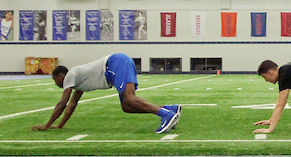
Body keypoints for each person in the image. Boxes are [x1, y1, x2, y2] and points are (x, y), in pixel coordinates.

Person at [32, 53, 180, 134]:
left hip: (115, 64)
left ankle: (165, 115)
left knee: (129, 98)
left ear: (61, 76)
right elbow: (72, 104)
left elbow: (63, 102)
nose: (56, 84)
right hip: (118, 64)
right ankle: (169, 110)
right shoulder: (78, 81)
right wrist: (59, 125)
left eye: (55, 80)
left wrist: (47, 125)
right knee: (126, 106)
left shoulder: (71, 74)